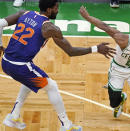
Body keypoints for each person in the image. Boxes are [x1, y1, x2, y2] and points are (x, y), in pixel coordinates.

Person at [0, 0, 115, 131]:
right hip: (20, 67)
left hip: (5, 61)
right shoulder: (50, 28)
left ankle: (14, 116)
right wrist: (96, 49)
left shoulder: (24, 13)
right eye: (56, 7)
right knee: (52, 87)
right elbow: (70, 51)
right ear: (49, 10)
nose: (58, 10)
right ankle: (66, 125)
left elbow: (0, 24)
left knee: (30, 80)